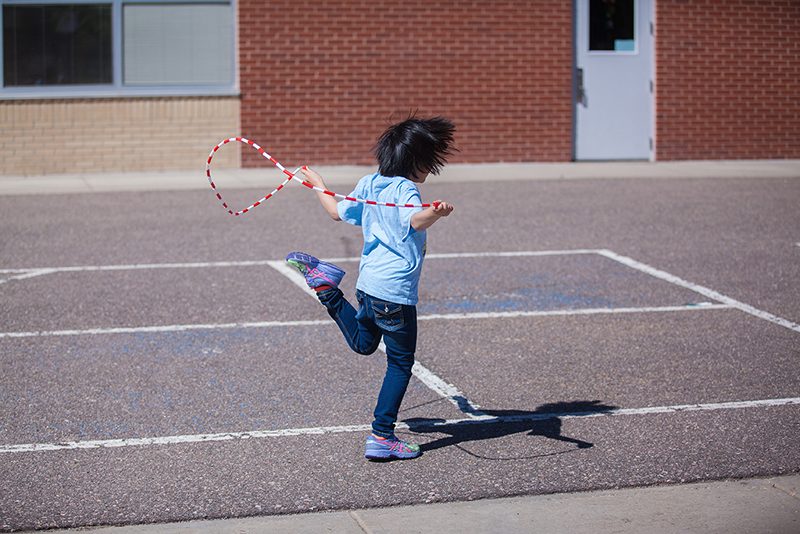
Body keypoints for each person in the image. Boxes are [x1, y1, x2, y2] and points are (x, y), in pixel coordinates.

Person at [285, 116, 456, 460]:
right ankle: (382, 435)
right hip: (393, 292)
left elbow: (336, 212)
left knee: (364, 344)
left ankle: (326, 286)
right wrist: (435, 213)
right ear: (415, 160)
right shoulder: (407, 189)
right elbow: (414, 219)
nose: (431, 170)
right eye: (430, 162)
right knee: (400, 364)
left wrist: (318, 182)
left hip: (368, 287)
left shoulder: (370, 182)